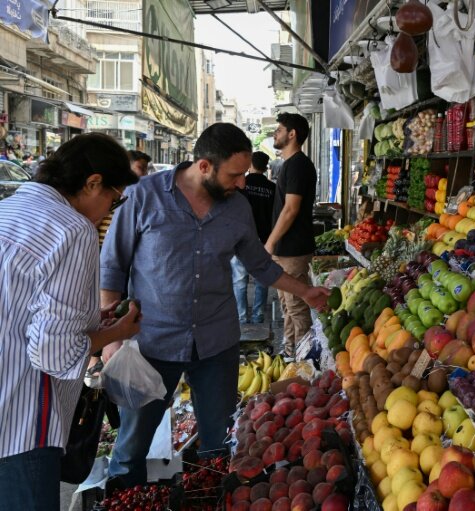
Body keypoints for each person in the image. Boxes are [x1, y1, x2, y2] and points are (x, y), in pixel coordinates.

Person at [99, 122, 329, 486]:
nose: (242, 183)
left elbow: (260, 265)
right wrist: (111, 338)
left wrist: (305, 292)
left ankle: (205, 498)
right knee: (130, 450)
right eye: (235, 175)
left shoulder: (237, 208)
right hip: (151, 345)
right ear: (204, 166)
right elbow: (112, 265)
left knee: (217, 448)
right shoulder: (144, 196)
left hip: (216, 346)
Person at [0, 133, 141, 509]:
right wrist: (116, 332)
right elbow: (52, 351)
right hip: (21, 421)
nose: (111, 210)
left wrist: (90, 319)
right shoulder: (72, 229)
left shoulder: (9, 211)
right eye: (114, 198)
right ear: (92, 183)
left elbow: (20, 306)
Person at [264, 113, 317, 358]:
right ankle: (290, 354)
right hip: (284, 250)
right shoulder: (289, 164)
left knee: (296, 308)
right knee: (287, 307)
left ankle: (305, 361)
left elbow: (291, 209)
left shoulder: (298, 165)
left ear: (292, 134)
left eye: (279, 129)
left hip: (293, 250)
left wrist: (271, 242)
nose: (275, 133)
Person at [231, 151, 276, 323]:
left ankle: (242, 318)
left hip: (241, 240)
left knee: (239, 281)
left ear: (250, 165)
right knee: (261, 280)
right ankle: (258, 316)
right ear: (265, 167)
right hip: (264, 241)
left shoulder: (241, 185)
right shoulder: (272, 188)